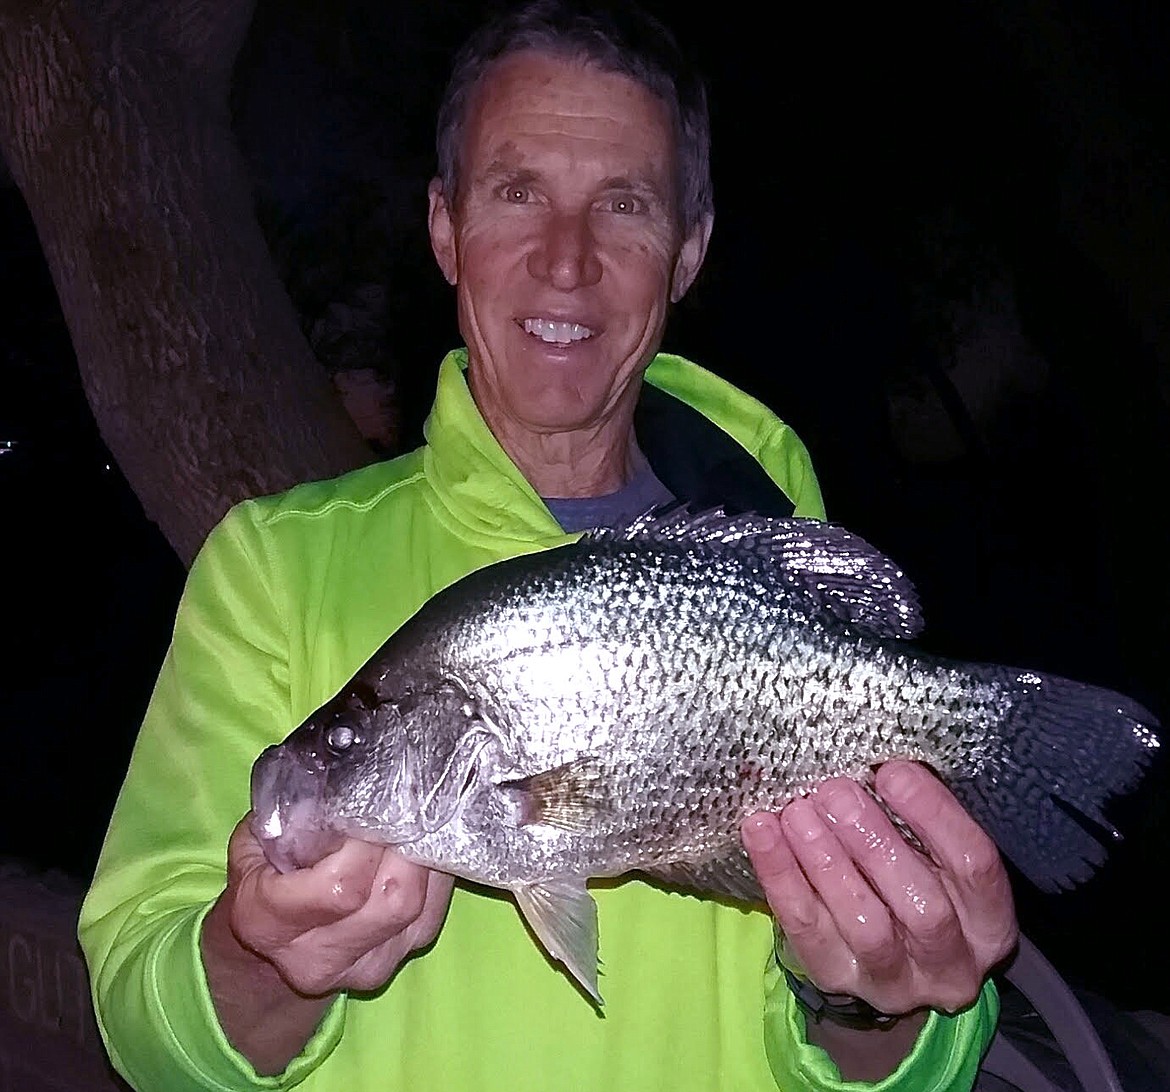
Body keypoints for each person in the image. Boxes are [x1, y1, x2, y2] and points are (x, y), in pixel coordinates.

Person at [78, 2, 1017, 1089]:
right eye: (518, 191)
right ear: (445, 226)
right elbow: (144, 1034)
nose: (566, 262)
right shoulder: (271, 570)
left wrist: (877, 1001)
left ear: (688, 251)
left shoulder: (777, 553)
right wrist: (259, 962)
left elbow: (923, 1054)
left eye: (623, 205)